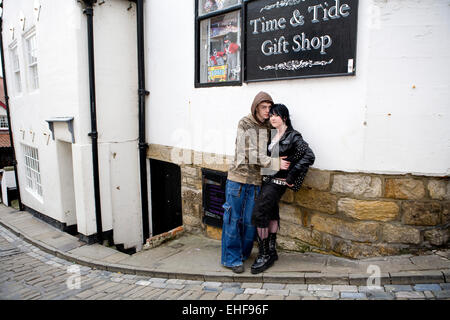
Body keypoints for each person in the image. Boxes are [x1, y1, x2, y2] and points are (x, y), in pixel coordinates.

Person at [221, 92, 290, 274]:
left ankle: (243, 255)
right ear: (256, 107)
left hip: (257, 181)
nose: (267, 111)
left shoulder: (269, 126)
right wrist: (275, 163)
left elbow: (281, 138)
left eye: (269, 107)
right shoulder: (245, 123)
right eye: (263, 107)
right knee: (233, 219)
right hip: (238, 179)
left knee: (249, 222)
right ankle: (231, 259)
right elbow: (250, 154)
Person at [250, 103, 315, 274]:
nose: (272, 118)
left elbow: (309, 155)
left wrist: (291, 176)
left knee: (259, 213)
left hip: (278, 182)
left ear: (284, 117)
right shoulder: (273, 135)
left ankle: (264, 254)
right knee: (270, 212)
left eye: (276, 115)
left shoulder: (293, 136)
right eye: (270, 115)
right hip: (267, 179)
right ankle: (271, 251)